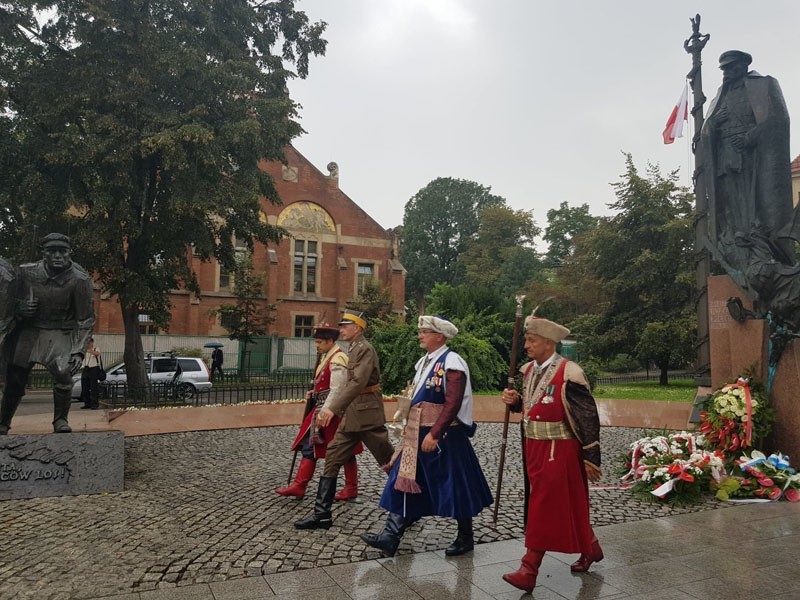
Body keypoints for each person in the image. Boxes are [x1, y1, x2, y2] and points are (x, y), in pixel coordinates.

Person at [361, 315, 493, 557]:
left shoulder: (452, 362)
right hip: (416, 432)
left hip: (445, 436)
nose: (420, 335)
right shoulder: (424, 362)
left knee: (455, 485)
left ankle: (465, 537)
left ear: (439, 336)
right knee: (404, 480)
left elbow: (452, 402)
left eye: (424, 331)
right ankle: (391, 536)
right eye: (420, 331)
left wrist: (435, 433)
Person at [500, 314, 602, 593]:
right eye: (526, 340)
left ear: (548, 343)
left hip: (561, 451)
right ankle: (591, 547)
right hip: (534, 449)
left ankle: (529, 568)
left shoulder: (570, 373)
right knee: (562, 504)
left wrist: (591, 456)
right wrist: (516, 402)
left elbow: (587, 417)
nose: (526, 345)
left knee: (543, 506)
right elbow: (535, 406)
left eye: (531, 340)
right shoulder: (529, 371)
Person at [697, 50, 798, 272]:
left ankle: (754, 233)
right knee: (731, 196)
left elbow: (777, 119)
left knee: (751, 194)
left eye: (731, 68)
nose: (727, 73)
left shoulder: (764, 85)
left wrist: (748, 138)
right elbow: (706, 130)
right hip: (725, 153)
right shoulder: (720, 96)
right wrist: (714, 123)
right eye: (724, 69)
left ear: (742, 66)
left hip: (753, 155)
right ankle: (735, 233)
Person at [294, 311, 394, 530]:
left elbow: (358, 382)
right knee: (332, 457)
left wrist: (333, 408)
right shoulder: (354, 348)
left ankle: (409, 506)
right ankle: (322, 516)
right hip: (352, 415)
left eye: (345, 326)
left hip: (367, 415)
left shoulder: (365, 349)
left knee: (389, 460)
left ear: (357, 328)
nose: (341, 330)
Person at [0, 233, 95, 435]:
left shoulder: (80, 280)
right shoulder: (26, 273)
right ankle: (3, 422)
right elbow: (8, 302)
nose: (58, 256)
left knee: (63, 372)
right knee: (14, 377)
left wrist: (78, 351)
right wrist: (21, 308)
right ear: (44, 254)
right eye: (52, 251)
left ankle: (60, 420)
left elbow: (85, 319)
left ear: (70, 253)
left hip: (60, 332)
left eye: (62, 251)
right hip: (30, 331)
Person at [275, 324, 361, 500]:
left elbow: (337, 389)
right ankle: (300, 485)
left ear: (330, 341)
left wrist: (326, 411)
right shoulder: (327, 356)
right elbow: (325, 384)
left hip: (331, 413)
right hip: (321, 408)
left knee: (345, 450)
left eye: (320, 342)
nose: (317, 345)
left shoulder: (338, 359)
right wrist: (314, 393)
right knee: (311, 445)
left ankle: (350, 487)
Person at [80, 337, 102, 410]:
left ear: (92, 343)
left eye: (89, 343)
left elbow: (97, 353)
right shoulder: (84, 350)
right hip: (85, 368)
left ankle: (94, 404)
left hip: (93, 369)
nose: (88, 344)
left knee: (93, 387)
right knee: (84, 387)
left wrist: (90, 351)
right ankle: (87, 403)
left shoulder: (96, 348)